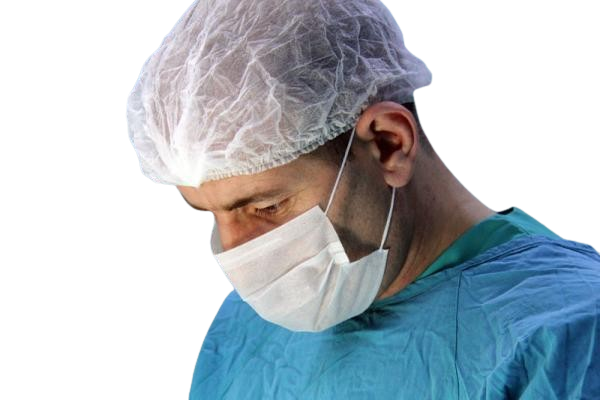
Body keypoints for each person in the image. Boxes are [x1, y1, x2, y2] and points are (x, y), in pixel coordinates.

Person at [125, 0, 600, 398]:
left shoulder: (565, 339)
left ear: (389, 144)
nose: (238, 252)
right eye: (210, 214)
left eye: (267, 207)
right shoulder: (244, 328)